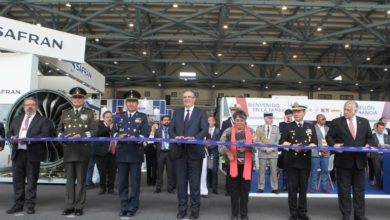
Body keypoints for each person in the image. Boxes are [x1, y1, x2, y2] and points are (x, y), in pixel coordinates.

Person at [326, 100, 375, 220]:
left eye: (348, 110)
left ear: (355, 111)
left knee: (359, 190)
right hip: (343, 161)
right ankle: (346, 215)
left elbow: (370, 137)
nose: (345, 111)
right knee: (344, 190)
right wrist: (334, 145)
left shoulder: (364, 122)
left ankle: (360, 215)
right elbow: (329, 136)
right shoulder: (337, 122)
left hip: (359, 162)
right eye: (345, 109)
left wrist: (368, 144)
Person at [6, 96, 50, 214]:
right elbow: (9, 132)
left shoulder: (42, 120)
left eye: (32, 105)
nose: (29, 107)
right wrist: (11, 138)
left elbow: (44, 135)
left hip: (33, 154)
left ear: (35, 106)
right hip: (18, 154)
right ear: (24, 107)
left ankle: (30, 205)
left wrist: (28, 139)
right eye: (27, 105)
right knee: (17, 182)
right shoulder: (17, 119)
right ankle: (18, 204)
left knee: (31, 182)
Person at [57, 87, 97, 216]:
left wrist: (82, 136)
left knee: (80, 180)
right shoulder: (65, 113)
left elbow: (94, 131)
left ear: (83, 99)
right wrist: (62, 137)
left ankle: (79, 206)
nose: (77, 99)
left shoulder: (90, 113)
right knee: (69, 180)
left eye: (80, 97)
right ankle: (69, 205)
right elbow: (59, 130)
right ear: (71, 99)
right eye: (75, 97)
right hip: (68, 150)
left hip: (82, 150)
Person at [169, 89, 208, 220]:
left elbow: (204, 130)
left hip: (195, 153)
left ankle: (195, 210)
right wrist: (176, 137)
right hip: (179, 152)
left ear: (194, 99)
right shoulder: (177, 112)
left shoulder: (201, 113)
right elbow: (171, 129)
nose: (187, 99)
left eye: (189, 97)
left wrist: (194, 138)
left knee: (195, 184)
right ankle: (182, 209)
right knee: (181, 184)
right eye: (185, 97)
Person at [113, 90, 149, 217]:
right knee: (122, 182)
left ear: (137, 103)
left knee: (135, 183)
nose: (131, 104)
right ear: (126, 103)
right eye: (129, 101)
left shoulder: (143, 117)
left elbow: (145, 134)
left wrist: (136, 138)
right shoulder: (118, 116)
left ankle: (133, 206)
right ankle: (124, 206)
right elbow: (113, 132)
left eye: (134, 101)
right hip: (122, 154)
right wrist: (118, 135)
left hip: (135, 154)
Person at [279, 102, 317, 220]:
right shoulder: (287, 126)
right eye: (294, 112)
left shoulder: (310, 126)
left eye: (299, 112)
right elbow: (282, 142)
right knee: (292, 188)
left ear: (304, 113)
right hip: (292, 161)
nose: (296, 114)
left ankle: (303, 212)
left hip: (305, 161)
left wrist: (304, 147)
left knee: (303, 187)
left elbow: (314, 142)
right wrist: (293, 146)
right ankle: (293, 212)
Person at [219, 110, 257, 220]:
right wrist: (227, 152)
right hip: (232, 165)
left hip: (247, 165)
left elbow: (257, 145)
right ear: (233, 120)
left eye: (241, 120)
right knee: (234, 191)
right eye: (237, 120)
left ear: (245, 121)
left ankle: (244, 214)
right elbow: (220, 145)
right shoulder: (228, 131)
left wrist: (248, 148)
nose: (239, 122)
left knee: (245, 191)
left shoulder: (251, 131)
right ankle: (234, 214)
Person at [256, 113, 280, 194]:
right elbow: (257, 140)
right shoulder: (259, 128)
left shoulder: (276, 128)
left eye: (272, 118)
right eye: (269, 118)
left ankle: (274, 187)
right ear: (265, 119)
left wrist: (272, 148)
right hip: (263, 152)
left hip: (273, 153)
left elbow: (278, 141)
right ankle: (261, 187)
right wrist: (264, 148)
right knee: (261, 171)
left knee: (274, 171)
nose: (271, 119)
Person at [94, 111, 117, 195]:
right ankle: (102, 188)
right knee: (102, 171)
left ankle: (111, 188)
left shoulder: (115, 126)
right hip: (101, 153)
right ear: (103, 118)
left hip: (113, 152)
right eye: (107, 117)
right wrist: (108, 128)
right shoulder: (99, 125)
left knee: (112, 171)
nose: (109, 118)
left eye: (110, 117)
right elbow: (97, 134)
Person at [151, 115, 175, 194]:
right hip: (161, 153)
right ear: (161, 122)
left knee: (170, 172)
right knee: (159, 171)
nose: (166, 121)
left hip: (170, 153)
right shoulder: (157, 131)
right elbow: (155, 142)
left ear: (170, 121)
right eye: (165, 120)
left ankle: (170, 188)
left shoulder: (173, 131)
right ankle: (158, 188)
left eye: (168, 120)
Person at [221, 103, 241, 196]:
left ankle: (237, 189)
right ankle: (228, 190)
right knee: (229, 171)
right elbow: (222, 138)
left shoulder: (242, 122)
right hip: (228, 151)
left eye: (236, 111)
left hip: (239, 151)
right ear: (231, 112)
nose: (234, 112)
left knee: (238, 170)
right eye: (233, 110)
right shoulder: (225, 123)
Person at [309, 114, 330, 193]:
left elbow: (330, 140)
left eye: (325, 118)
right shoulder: (312, 128)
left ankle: (324, 187)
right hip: (315, 152)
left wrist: (326, 149)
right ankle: (313, 187)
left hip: (326, 152)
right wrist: (320, 149)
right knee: (314, 171)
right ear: (317, 119)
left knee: (325, 171)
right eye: (323, 118)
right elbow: (311, 140)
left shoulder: (328, 128)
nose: (324, 120)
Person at [370, 121, 390, 189]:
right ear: (377, 128)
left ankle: (385, 184)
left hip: (386, 156)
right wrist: (377, 145)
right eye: (380, 128)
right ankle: (380, 185)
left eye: (382, 128)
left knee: (386, 171)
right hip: (376, 155)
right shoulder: (372, 136)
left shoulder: (387, 136)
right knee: (377, 171)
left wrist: (388, 145)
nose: (381, 129)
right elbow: (370, 144)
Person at [278, 109, 293, 192]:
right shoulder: (282, 124)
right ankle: (284, 185)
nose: (289, 117)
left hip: (294, 149)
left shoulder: (295, 124)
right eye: (288, 116)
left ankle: (292, 185)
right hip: (285, 149)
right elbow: (282, 134)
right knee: (285, 168)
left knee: (293, 169)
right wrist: (286, 122)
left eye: (290, 116)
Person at [206, 115, 221, 194]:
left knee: (214, 170)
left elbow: (218, 141)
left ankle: (215, 188)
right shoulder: (205, 130)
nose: (209, 122)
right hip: (206, 152)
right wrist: (205, 145)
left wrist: (210, 146)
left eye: (211, 120)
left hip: (214, 152)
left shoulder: (218, 130)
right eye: (208, 120)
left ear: (214, 122)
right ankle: (208, 186)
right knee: (207, 169)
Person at [145, 119, 157, 186]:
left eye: (154, 126)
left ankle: (154, 181)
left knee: (155, 168)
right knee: (148, 167)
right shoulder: (147, 134)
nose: (153, 127)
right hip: (148, 151)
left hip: (155, 151)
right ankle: (148, 181)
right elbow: (144, 141)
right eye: (152, 126)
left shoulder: (157, 134)